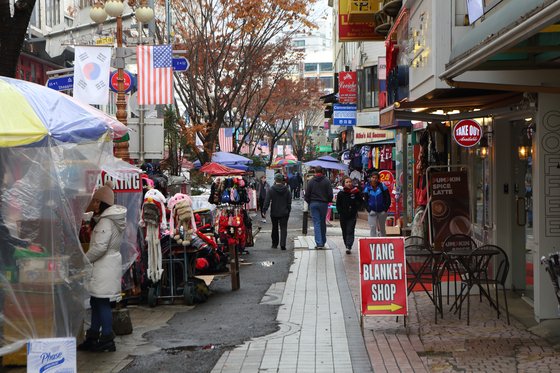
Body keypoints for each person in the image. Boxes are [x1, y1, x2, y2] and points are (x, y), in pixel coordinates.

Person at [78, 181, 127, 352]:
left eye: (98, 201)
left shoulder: (106, 222)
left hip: (104, 266)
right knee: (96, 300)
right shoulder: (107, 219)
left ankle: (106, 338)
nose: (95, 204)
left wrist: (83, 259)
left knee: (101, 301)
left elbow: (100, 247)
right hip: (105, 266)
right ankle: (94, 335)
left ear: (104, 203)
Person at [304, 166, 333, 249]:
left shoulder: (311, 181)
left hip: (313, 203)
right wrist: (327, 201)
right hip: (323, 204)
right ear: (322, 171)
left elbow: (307, 195)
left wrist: (310, 202)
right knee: (322, 222)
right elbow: (330, 194)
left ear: (315, 171)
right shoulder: (327, 181)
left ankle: (319, 243)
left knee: (316, 223)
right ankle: (323, 241)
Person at [263, 173, 291, 250]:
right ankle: (283, 244)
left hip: (274, 212)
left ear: (275, 180)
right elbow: (289, 202)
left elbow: (267, 201)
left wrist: (264, 210)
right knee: (283, 228)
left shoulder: (271, 189)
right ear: (282, 180)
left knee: (274, 227)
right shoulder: (287, 190)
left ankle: (275, 244)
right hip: (284, 212)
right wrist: (288, 210)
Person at [336, 177, 363, 254]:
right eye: (347, 182)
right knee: (344, 231)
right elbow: (338, 205)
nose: (349, 183)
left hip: (352, 215)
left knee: (350, 230)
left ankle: (349, 245)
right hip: (343, 216)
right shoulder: (341, 194)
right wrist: (340, 212)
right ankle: (346, 244)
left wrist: (356, 207)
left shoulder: (356, 192)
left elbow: (360, 202)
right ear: (344, 183)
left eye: (350, 182)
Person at [363, 172, 391, 237]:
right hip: (372, 211)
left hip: (382, 211)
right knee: (372, 227)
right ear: (370, 178)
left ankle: (383, 242)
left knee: (382, 228)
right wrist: (369, 210)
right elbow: (365, 200)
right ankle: (373, 243)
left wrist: (385, 209)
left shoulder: (382, 186)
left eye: (376, 178)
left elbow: (388, 198)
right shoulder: (367, 188)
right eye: (373, 177)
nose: (374, 179)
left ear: (378, 179)